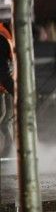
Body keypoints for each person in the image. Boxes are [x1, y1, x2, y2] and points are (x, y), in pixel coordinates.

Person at [0, 21, 14, 157]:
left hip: (6, 84)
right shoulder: (4, 32)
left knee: (6, 120)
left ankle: (7, 152)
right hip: (7, 83)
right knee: (5, 120)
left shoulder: (3, 33)